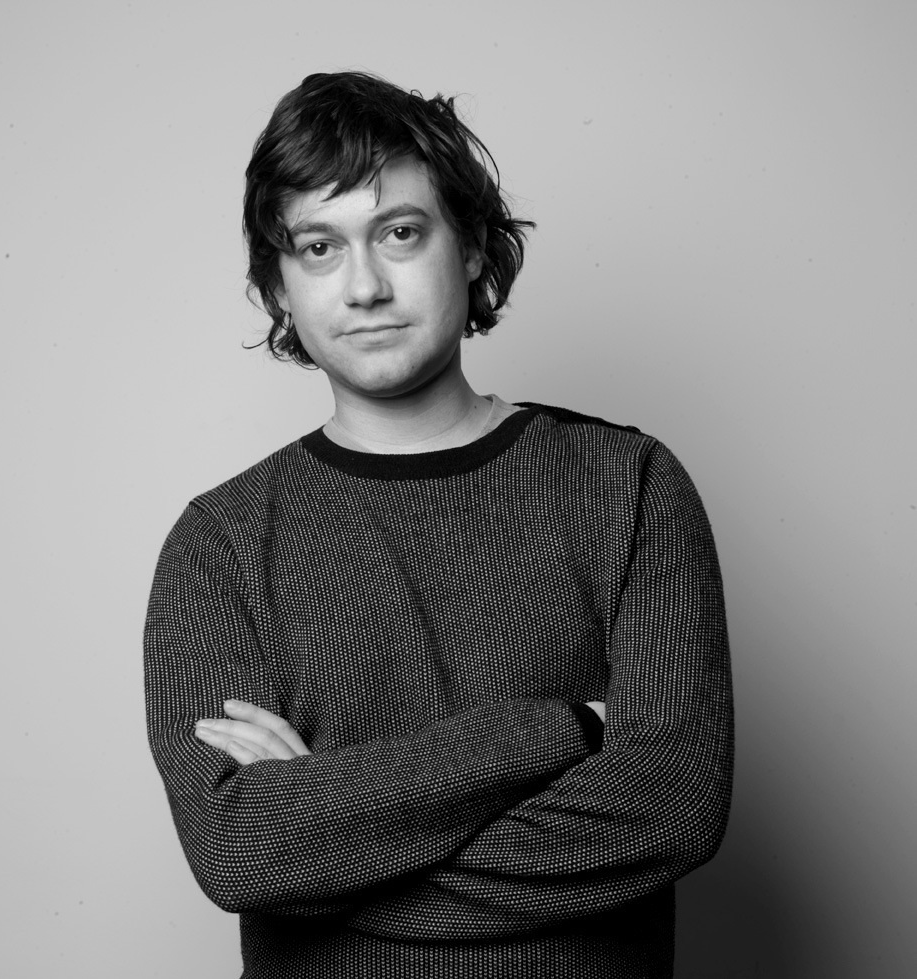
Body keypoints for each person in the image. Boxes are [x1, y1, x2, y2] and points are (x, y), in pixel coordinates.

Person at [144, 70, 733, 979]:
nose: (364, 286)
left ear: (470, 250)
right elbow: (238, 851)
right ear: (279, 286)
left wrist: (332, 845)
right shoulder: (218, 543)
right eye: (318, 247)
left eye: (400, 233)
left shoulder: (630, 484)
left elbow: (671, 806)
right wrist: (562, 730)